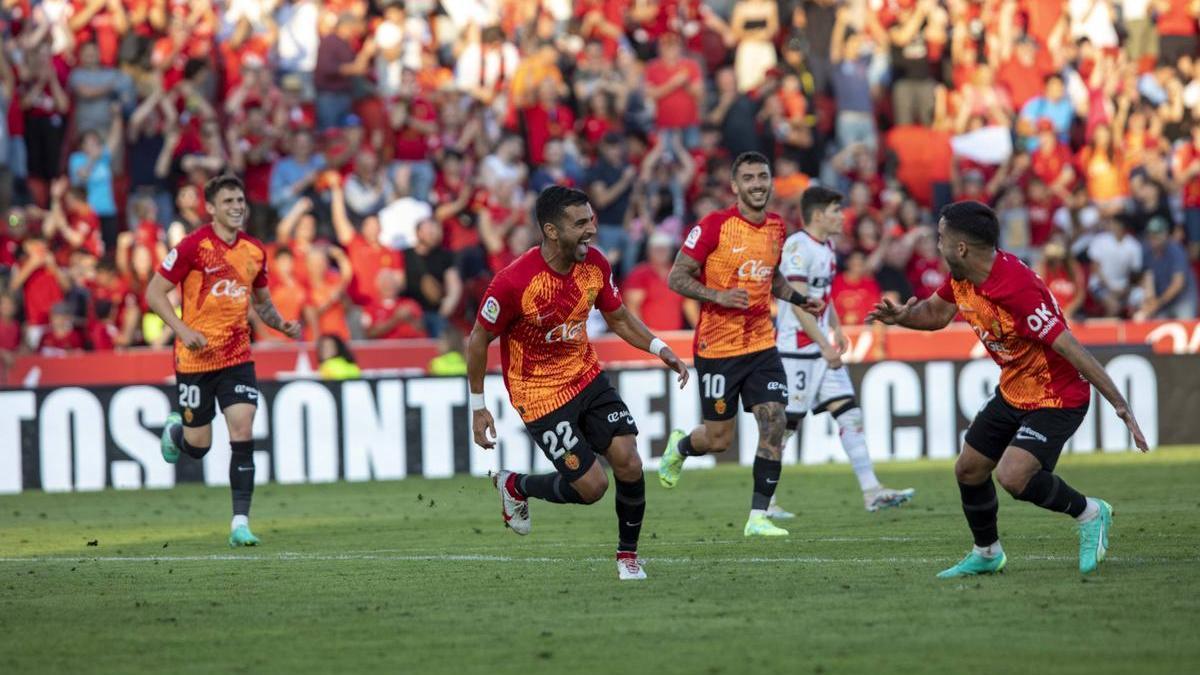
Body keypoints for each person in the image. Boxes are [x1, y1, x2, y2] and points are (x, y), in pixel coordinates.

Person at [866, 201, 1150, 577]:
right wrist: (903, 317)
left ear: (961, 247)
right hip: (1014, 388)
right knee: (968, 469)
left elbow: (1071, 347)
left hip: (1057, 396)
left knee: (1013, 476)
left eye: (941, 238)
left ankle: (1090, 513)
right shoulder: (964, 275)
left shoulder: (1016, 289)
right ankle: (987, 553)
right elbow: (935, 314)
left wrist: (1120, 405)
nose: (937, 246)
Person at [468, 186, 689, 581]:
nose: (592, 229)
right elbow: (478, 339)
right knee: (592, 487)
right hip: (539, 395)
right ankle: (516, 485)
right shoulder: (515, 281)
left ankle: (628, 556)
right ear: (552, 231)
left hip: (586, 376)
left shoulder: (595, 266)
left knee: (629, 459)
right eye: (581, 223)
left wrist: (660, 348)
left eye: (591, 219)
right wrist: (478, 406)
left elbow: (619, 318)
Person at [657, 151, 822, 537]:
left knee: (775, 421)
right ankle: (680, 448)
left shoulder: (777, 227)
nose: (758, 184)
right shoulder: (714, 225)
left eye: (763, 176)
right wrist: (717, 296)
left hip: (762, 345)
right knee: (718, 440)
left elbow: (772, 276)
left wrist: (798, 300)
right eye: (748, 178)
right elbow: (676, 277)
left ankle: (758, 517)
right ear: (735, 186)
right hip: (718, 350)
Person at [148, 175, 302, 548]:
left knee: (243, 431)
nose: (237, 206)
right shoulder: (193, 247)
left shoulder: (254, 251)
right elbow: (154, 292)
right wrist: (182, 330)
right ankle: (175, 432)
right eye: (229, 201)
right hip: (195, 360)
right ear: (212, 208)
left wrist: (279, 323)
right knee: (198, 446)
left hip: (237, 357)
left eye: (240, 200)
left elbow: (261, 302)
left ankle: (240, 523)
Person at [777, 186, 915, 513]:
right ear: (818, 214)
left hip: (821, 346)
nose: (842, 216)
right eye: (836, 210)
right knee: (783, 428)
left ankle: (872, 491)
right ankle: (763, 504)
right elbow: (796, 304)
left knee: (850, 414)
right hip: (796, 350)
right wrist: (825, 343)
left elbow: (821, 295)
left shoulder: (827, 246)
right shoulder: (798, 246)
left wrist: (835, 327)